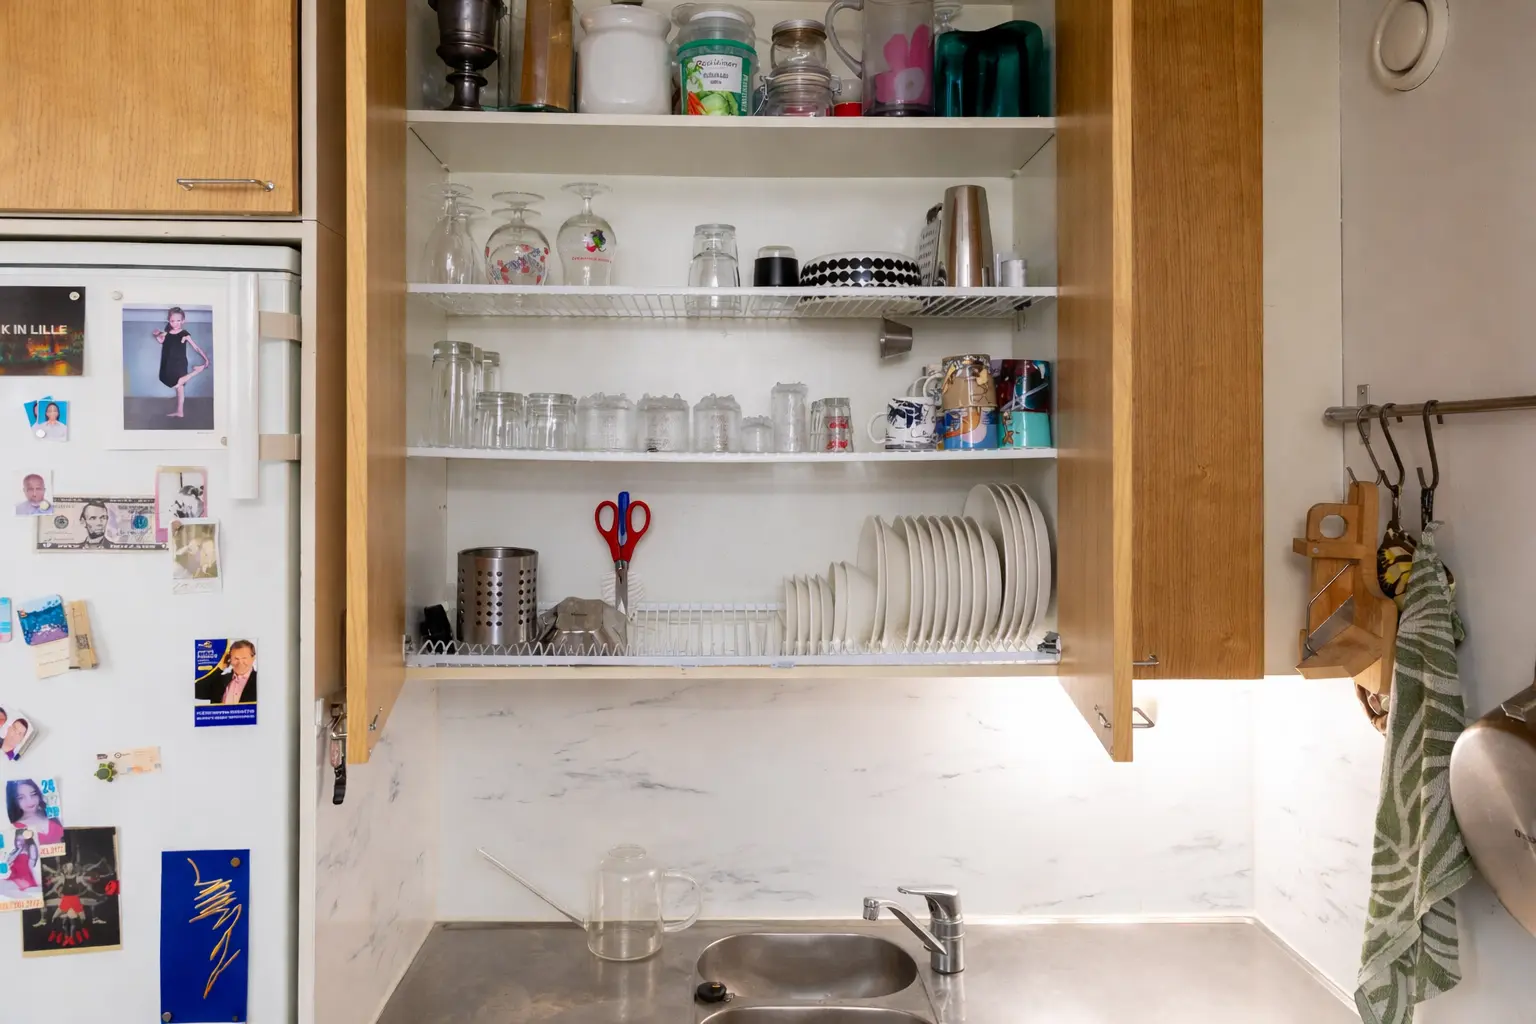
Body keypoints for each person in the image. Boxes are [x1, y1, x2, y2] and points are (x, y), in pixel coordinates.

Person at [151, 306, 211, 419]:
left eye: (178, 320)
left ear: (183, 321)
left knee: (178, 384)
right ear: (169, 321)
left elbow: (196, 348)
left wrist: (206, 359)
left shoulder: (184, 334)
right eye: (172, 321)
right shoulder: (167, 333)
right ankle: (179, 411)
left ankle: (198, 370)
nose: (175, 323)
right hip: (167, 362)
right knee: (174, 385)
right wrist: (157, 335)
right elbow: (161, 341)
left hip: (179, 363)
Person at [196, 640, 258, 704]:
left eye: (244, 658)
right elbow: (196, 692)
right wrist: (220, 668)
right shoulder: (219, 681)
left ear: (253, 658)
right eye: (236, 658)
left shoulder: (260, 681)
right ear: (229, 659)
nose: (240, 663)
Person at [7, 779, 61, 849]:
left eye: (33, 794)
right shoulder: (15, 828)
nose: (30, 801)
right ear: (14, 801)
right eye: (21, 798)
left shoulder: (50, 813)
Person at [1, 828, 40, 899]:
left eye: (23, 840)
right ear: (15, 840)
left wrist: (36, 882)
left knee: (3, 887)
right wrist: (19, 850)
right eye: (18, 840)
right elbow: (8, 862)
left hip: (24, 880)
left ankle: (27, 897)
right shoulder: (14, 852)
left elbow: (31, 866)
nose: (20, 843)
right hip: (13, 878)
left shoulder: (30, 848)